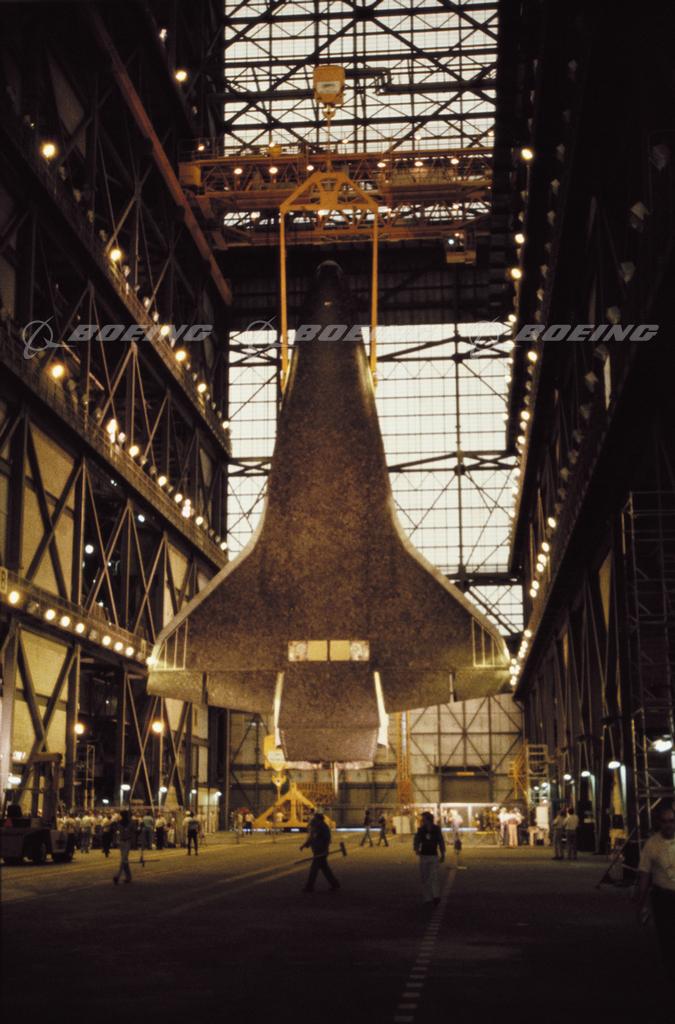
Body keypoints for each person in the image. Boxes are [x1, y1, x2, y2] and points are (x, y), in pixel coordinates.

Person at [636, 800, 675, 968]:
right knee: (666, 933)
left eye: (672, 821)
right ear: (659, 822)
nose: (668, 825)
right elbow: (645, 873)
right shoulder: (652, 844)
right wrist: (641, 902)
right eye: (665, 821)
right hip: (663, 896)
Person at [300, 812, 340, 892]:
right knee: (325, 869)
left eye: (314, 818)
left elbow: (325, 839)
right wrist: (305, 845)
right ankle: (335, 884)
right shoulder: (318, 826)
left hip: (320, 852)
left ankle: (309, 887)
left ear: (318, 819)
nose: (312, 819)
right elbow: (312, 838)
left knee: (314, 869)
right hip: (319, 851)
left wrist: (325, 849)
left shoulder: (322, 827)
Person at [413, 811, 446, 905]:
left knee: (434, 876)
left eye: (423, 819)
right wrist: (416, 849)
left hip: (433, 855)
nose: (422, 821)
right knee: (425, 877)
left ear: (428, 820)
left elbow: (440, 841)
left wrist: (443, 853)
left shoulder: (436, 829)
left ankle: (436, 896)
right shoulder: (421, 829)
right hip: (424, 855)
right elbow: (417, 840)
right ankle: (428, 898)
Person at [112, 810, 133, 885]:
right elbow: (115, 829)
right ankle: (128, 877)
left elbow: (133, 832)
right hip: (122, 842)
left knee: (124, 859)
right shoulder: (119, 822)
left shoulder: (130, 823)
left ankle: (118, 875)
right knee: (125, 859)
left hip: (127, 841)